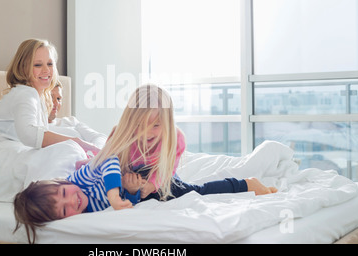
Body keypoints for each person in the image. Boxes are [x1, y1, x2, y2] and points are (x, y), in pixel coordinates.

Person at [92, 84, 278, 202]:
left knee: (194, 192)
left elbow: (167, 171)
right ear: (130, 121)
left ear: (166, 123)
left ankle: (246, 184)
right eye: (141, 125)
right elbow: (107, 165)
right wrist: (128, 186)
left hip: (160, 175)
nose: (148, 133)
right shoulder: (120, 134)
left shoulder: (175, 138)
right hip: (130, 178)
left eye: (156, 125)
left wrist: (152, 186)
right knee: (149, 200)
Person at [0, 38, 99, 156]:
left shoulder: (39, 98)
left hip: (6, 152)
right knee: (66, 153)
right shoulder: (24, 94)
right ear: (23, 68)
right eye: (38, 65)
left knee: (63, 153)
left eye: (50, 64)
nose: (46, 70)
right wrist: (77, 142)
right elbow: (30, 135)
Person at [13, 155, 137, 244]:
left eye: (64, 192)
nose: (72, 201)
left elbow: (108, 157)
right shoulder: (87, 217)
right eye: (65, 210)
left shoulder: (79, 180)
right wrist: (132, 192)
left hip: (120, 164)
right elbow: (127, 204)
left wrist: (113, 196)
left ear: (62, 183)